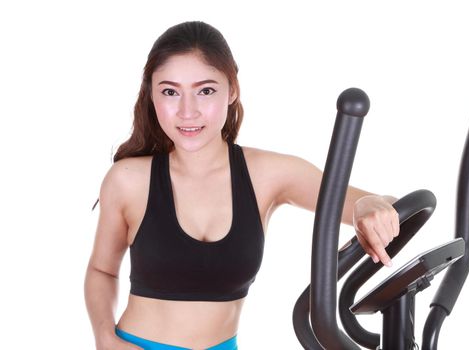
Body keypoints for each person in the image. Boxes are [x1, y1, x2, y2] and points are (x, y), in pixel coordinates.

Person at [84, 21, 399, 350]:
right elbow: (102, 269)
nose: (187, 111)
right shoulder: (128, 180)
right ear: (151, 94)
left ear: (232, 90)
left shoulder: (267, 174)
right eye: (170, 91)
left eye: (205, 90)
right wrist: (105, 338)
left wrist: (367, 206)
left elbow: (385, 204)